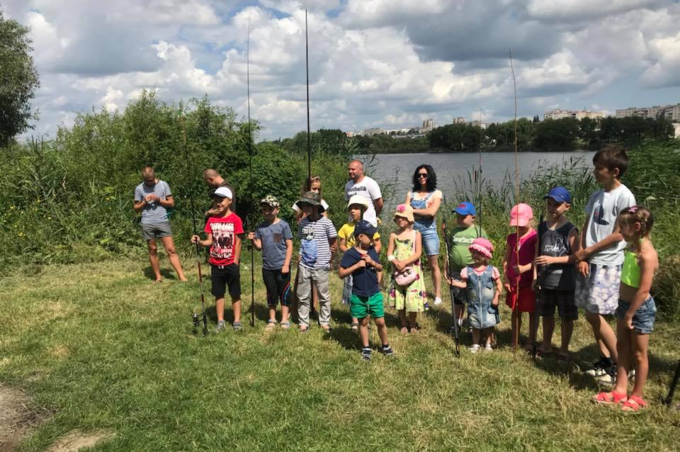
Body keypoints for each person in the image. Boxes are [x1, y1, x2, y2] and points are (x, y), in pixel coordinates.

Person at [574, 145, 636, 382]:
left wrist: (588, 251)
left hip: (608, 263)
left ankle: (623, 364)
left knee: (595, 313)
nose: (594, 172)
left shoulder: (625, 196)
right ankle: (606, 360)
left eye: (599, 169)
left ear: (615, 171)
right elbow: (586, 224)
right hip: (590, 260)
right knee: (592, 314)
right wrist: (582, 253)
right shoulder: (596, 195)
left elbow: (620, 233)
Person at [592, 206, 658, 412]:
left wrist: (630, 314)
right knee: (622, 347)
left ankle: (637, 395)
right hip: (624, 306)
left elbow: (644, 289)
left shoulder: (647, 255)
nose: (619, 230)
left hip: (639, 309)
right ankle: (620, 390)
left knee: (639, 353)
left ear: (636, 227)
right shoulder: (631, 249)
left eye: (623, 227)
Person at [533, 187, 580, 360]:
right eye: (549, 204)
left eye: (557, 205)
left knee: (566, 317)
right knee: (546, 314)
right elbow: (537, 255)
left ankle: (564, 349)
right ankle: (546, 345)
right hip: (546, 281)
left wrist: (553, 260)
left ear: (567, 207)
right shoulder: (541, 227)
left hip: (565, 282)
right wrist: (534, 277)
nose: (552, 208)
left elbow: (577, 256)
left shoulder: (570, 230)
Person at [339, 220, 394, 360]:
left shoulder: (372, 251)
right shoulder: (350, 254)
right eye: (370, 235)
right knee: (363, 322)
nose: (373, 238)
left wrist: (373, 263)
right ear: (360, 236)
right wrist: (357, 265)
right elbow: (341, 273)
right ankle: (366, 347)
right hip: (358, 294)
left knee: (380, 321)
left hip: (374, 293)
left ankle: (385, 345)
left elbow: (380, 268)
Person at [191, 187, 244, 332]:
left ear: (230, 201)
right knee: (218, 293)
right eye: (216, 200)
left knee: (235, 293)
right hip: (215, 263)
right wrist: (200, 242)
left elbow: (238, 242)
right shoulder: (211, 220)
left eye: (221, 200)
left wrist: (235, 261)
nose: (218, 203)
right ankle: (220, 321)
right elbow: (210, 241)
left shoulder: (236, 219)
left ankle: (237, 321)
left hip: (231, 263)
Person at [133, 166, 187, 283]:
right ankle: (158, 277)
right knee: (152, 249)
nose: (149, 182)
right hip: (147, 222)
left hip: (162, 220)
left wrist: (159, 200)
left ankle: (181, 276)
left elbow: (171, 203)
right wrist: (144, 202)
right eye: (147, 181)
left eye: (151, 180)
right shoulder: (139, 188)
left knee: (171, 249)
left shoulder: (163, 185)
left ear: (154, 176)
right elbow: (136, 208)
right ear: (143, 178)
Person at [248, 195, 294, 330]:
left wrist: (286, 264)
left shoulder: (284, 225)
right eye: (264, 210)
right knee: (271, 292)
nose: (267, 212)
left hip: (282, 266)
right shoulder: (261, 227)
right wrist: (252, 240)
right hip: (267, 266)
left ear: (277, 209)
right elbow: (259, 246)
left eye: (270, 209)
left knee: (284, 292)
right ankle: (272, 319)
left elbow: (290, 246)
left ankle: (285, 318)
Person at [449, 238, 502, 353]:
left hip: (489, 305)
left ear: (486, 255)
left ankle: (488, 344)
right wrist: (454, 282)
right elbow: (464, 284)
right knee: (475, 325)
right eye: (473, 252)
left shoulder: (491, 270)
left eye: (479, 253)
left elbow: (499, 284)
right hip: (474, 304)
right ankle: (476, 344)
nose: (475, 255)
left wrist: (497, 296)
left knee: (489, 325)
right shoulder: (467, 270)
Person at [338, 195, 382, 332]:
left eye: (356, 208)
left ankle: (366, 318)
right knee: (351, 289)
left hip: (366, 263)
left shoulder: (369, 227)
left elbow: (378, 245)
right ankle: (355, 320)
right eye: (351, 208)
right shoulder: (346, 227)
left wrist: (370, 255)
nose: (353, 211)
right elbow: (341, 245)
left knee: (365, 289)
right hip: (352, 263)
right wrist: (352, 254)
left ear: (363, 210)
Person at [295, 191, 337, 332]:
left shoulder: (326, 223)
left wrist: (331, 259)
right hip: (305, 264)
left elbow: (333, 242)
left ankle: (324, 321)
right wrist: (300, 254)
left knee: (323, 295)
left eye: (308, 205)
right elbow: (301, 240)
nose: (305, 208)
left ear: (316, 207)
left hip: (321, 264)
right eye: (304, 205)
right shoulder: (302, 223)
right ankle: (303, 322)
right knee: (303, 294)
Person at [444, 201, 487, 331]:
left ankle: (472, 322)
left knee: (472, 296)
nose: (459, 220)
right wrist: (445, 267)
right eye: (457, 217)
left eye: (463, 217)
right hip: (456, 270)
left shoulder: (478, 231)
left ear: (473, 217)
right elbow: (448, 250)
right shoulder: (455, 232)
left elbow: (486, 250)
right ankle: (457, 322)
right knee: (458, 297)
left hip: (473, 269)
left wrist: (484, 268)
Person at [406, 164, 443, 307]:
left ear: (430, 176)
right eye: (419, 175)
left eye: (424, 175)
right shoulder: (411, 193)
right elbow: (404, 211)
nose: (421, 177)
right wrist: (415, 210)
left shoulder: (436, 193)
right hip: (413, 230)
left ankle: (438, 294)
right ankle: (413, 289)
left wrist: (412, 210)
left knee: (433, 264)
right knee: (411, 262)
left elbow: (431, 212)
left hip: (429, 231)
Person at [386, 204, 427, 334]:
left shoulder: (416, 234)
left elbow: (418, 253)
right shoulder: (393, 235)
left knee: (412, 297)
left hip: (412, 270)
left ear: (409, 219)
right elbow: (389, 253)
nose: (399, 220)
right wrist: (395, 261)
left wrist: (405, 262)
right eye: (397, 218)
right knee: (400, 296)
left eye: (402, 218)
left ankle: (413, 323)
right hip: (398, 271)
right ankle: (403, 323)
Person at [503, 203, 538, 351]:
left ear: (531, 220)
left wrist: (525, 268)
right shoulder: (511, 238)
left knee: (532, 311)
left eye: (522, 224)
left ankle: (531, 340)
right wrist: (505, 278)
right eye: (516, 225)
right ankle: (514, 339)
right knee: (516, 310)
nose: (519, 228)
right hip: (513, 281)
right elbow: (506, 259)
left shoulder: (535, 237)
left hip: (529, 281)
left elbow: (537, 259)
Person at [345, 159, 383, 227]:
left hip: (368, 223)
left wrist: (374, 215)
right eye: (349, 169)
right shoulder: (348, 185)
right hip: (353, 224)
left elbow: (379, 203)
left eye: (353, 169)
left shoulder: (370, 183)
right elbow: (348, 204)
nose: (350, 171)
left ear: (361, 171)